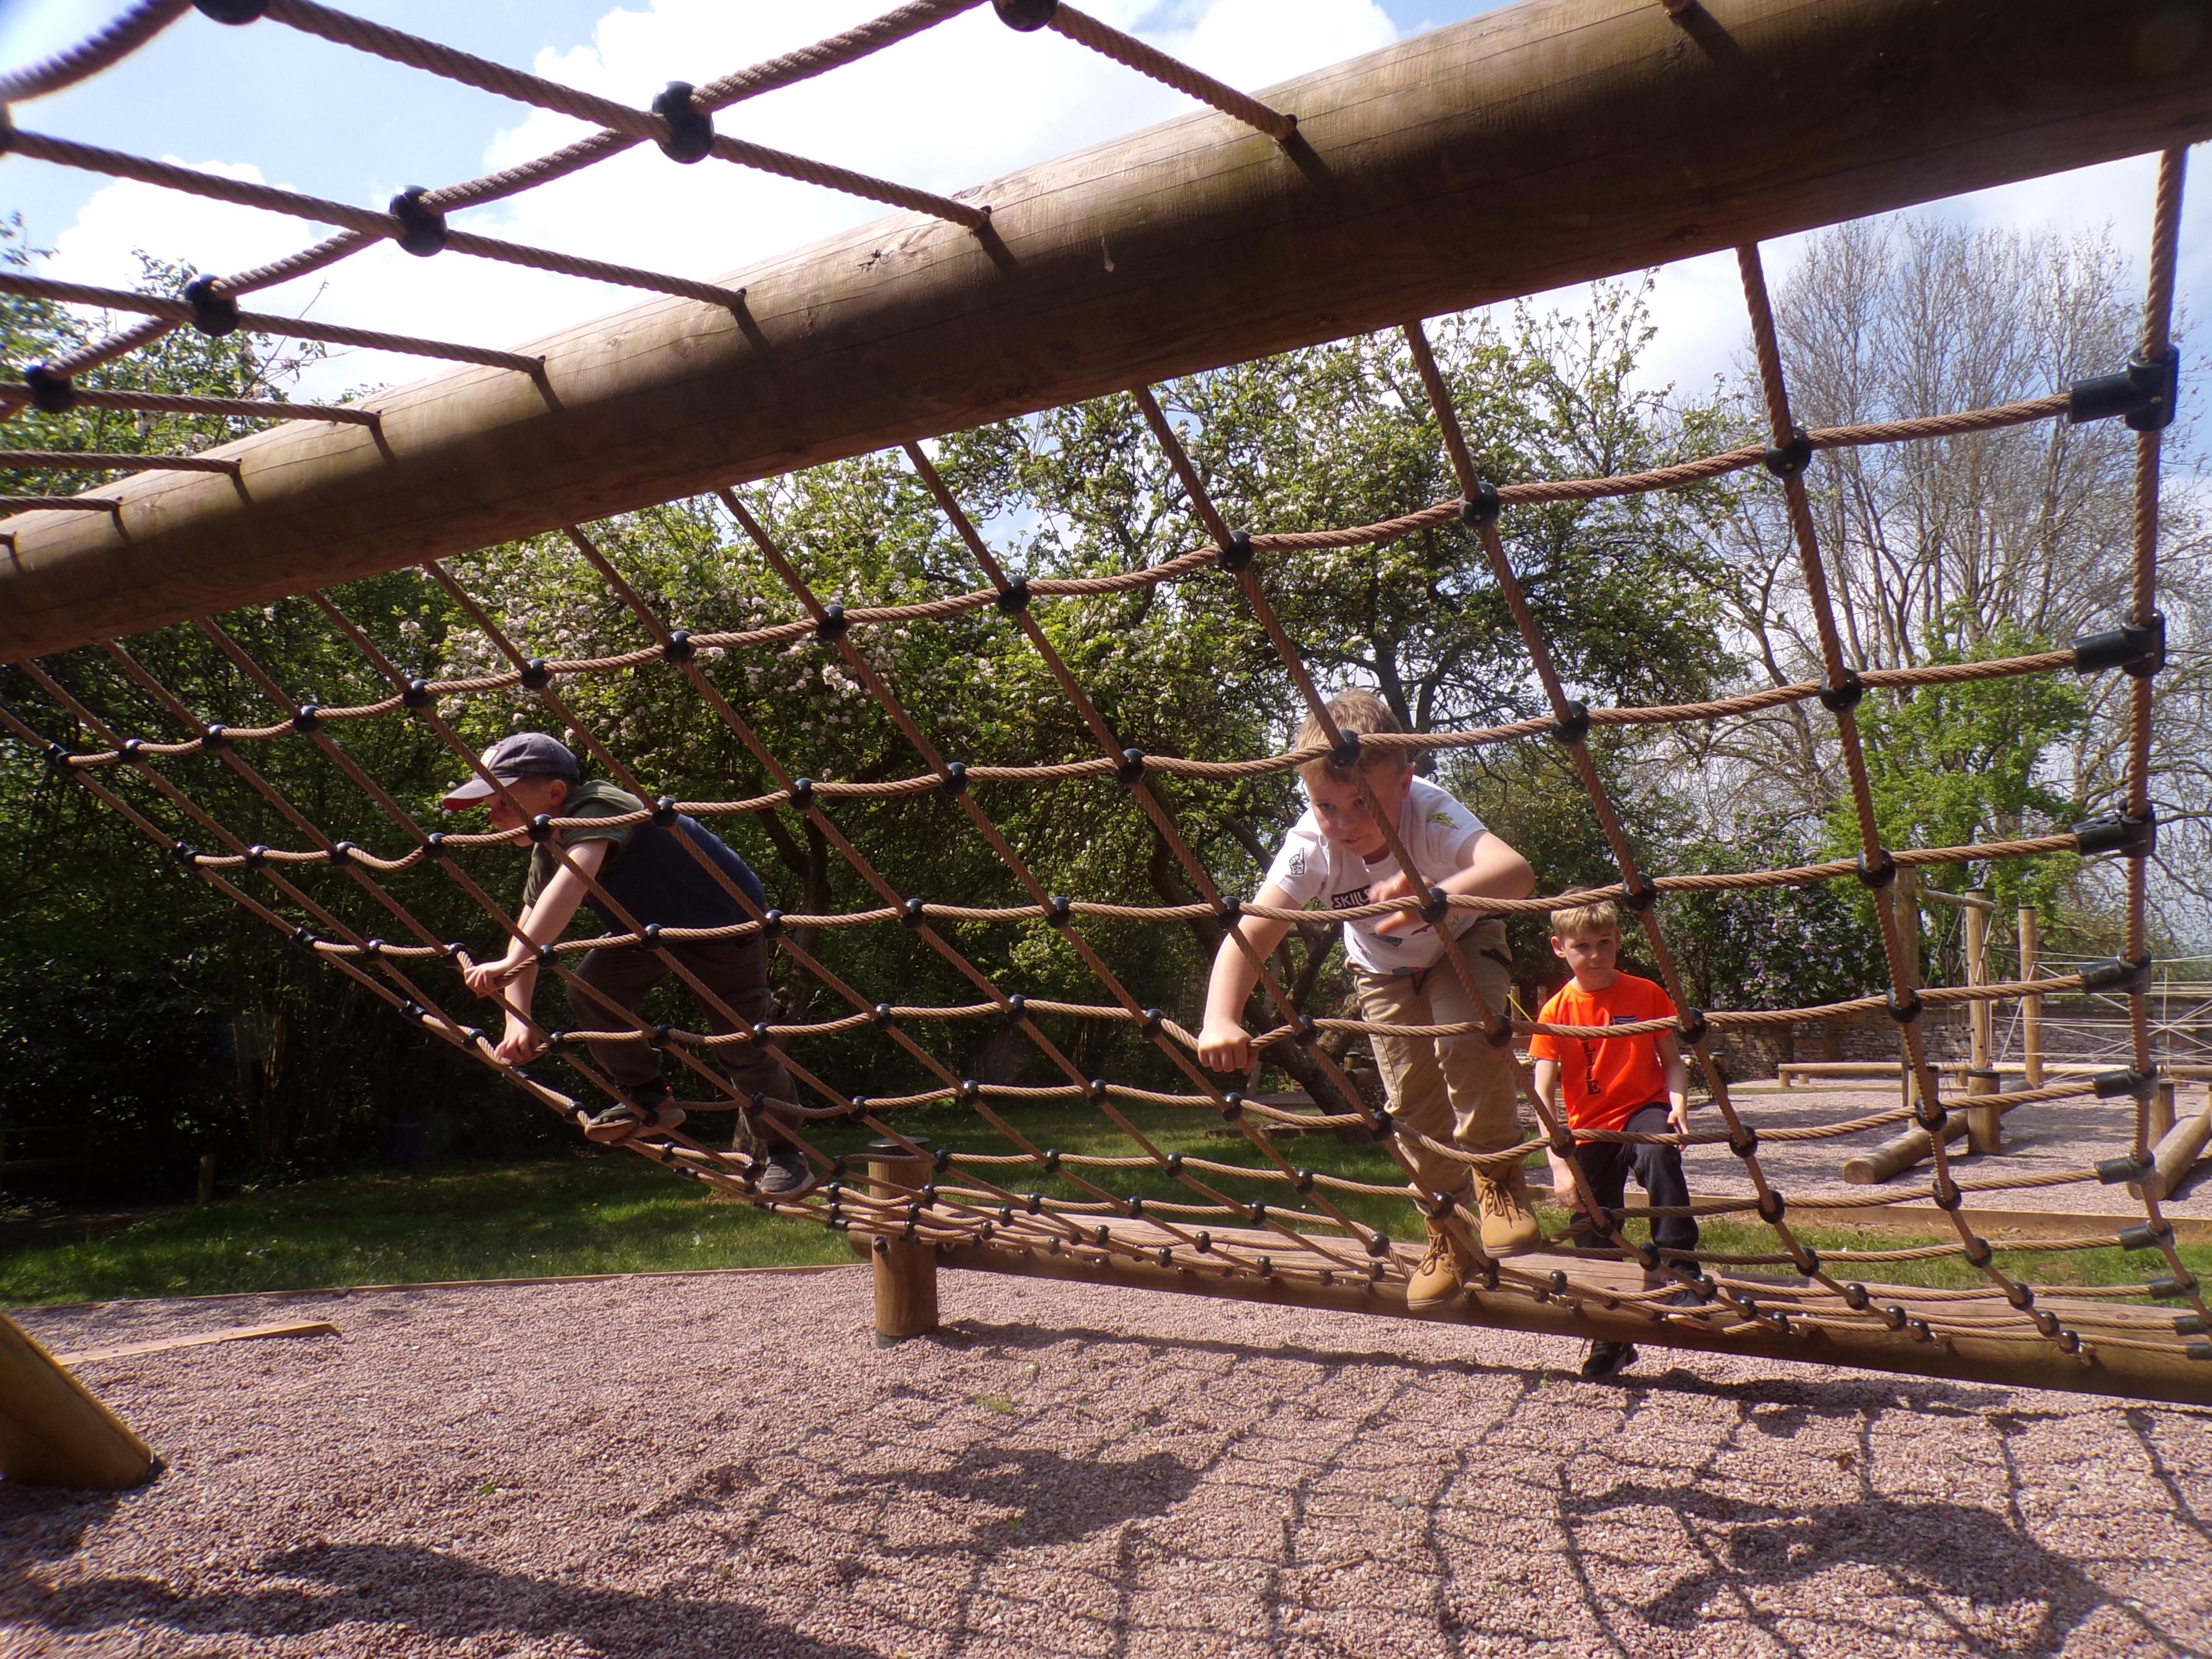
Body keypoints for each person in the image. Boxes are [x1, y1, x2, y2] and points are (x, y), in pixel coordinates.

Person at [1196, 690, 1540, 1311]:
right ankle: (1449, 1229)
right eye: (1326, 805)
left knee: (1469, 1043)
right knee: (1411, 1103)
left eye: (1363, 802)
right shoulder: (1311, 845)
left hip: (1463, 940)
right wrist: (1220, 1017)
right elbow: (1254, 932)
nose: (1346, 822)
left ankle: (1498, 1178)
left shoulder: (1431, 812)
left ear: (1404, 782)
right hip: (1383, 971)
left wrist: (1437, 896)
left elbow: (1516, 873)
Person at [445, 732, 812, 1195]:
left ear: (555, 793)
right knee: (592, 993)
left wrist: (513, 962)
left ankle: (786, 1153)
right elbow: (528, 924)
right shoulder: (547, 844)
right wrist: (517, 1018)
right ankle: (650, 1098)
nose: (492, 815)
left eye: (501, 801)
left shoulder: (602, 804)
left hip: (723, 925)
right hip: (649, 934)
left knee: (740, 1042)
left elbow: (576, 879)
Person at [1527, 896, 1698, 1380]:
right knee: (1590, 1218)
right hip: (1589, 1126)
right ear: (1559, 948)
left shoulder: (1646, 993)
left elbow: (1673, 1062)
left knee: (1659, 1156)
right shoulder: (1557, 1010)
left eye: (1605, 943)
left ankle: (1680, 1267)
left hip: (1643, 1109)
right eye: (1582, 946)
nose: (1596, 955)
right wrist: (1560, 1166)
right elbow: (1541, 1092)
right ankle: (1611, 1332)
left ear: (1618, 941)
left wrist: (1678, 1104)